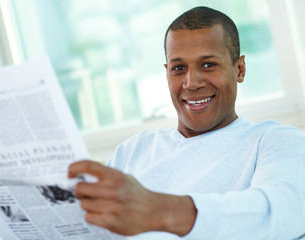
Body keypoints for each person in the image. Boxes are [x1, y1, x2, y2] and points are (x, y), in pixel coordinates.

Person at [68, 6, 305, 240]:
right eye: (179, 68)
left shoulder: (276, 140)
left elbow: (282, 211)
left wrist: (157, 211)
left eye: (208, 64)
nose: (191, 83)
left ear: (240, 69)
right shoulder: (133, 151)